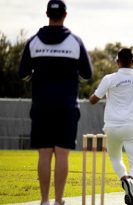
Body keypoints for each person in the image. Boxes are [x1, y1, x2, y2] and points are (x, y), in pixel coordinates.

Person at [18, 1, 93, 205]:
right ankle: (59, 200)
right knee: (62, 154)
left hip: (41, 105)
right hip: (67, 106)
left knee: (44, 154)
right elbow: (88, 75)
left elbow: (22, 73)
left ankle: (44, 201)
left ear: (46, 14)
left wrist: (37, 75)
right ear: (65, 15)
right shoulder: (74, 42)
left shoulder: (34, 42)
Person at [89, 48, 133, 205]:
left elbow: (93, 100)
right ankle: (131, 180)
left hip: (111, 126)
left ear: (117, 62)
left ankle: (124, 179)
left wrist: (96, 95)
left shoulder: (109, 78)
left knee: (115, 158)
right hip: (131, 125)